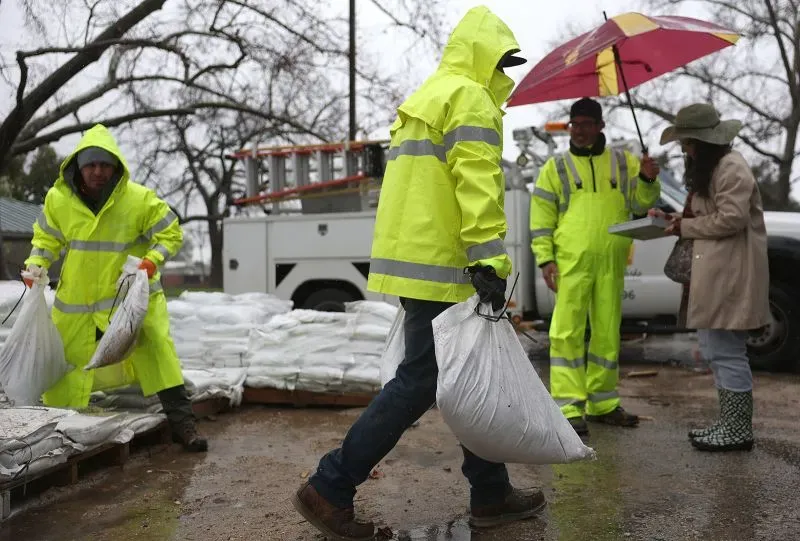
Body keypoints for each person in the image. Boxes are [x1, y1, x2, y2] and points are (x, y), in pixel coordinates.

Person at [291, 7, 543, 540]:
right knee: (422, 382)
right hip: (451, 267)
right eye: (503, 61)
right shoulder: (470, 99)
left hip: (420, 265)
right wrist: (490, 261)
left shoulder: (426, 97)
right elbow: (476, 185)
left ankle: (491, 492)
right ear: (484, 56)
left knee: (464, 377)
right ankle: (330, 486)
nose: (506, 74)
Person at [23, 123, 207, 453]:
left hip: (130, 300)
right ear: (79, 167)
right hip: (77, 302)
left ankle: (184, 426)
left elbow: (171, 233)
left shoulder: (137, 200)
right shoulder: (58, 200)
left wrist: (151, 261)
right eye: (91, 165)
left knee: (158, 352)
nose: (98, 172)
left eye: (105, 165)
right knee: (64, 362)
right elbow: (46, 239)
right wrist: (37, 263)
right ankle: (59, 427)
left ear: (116, 167)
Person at [530, 97, 661, 437]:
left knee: (606, 331)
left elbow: (641, 204)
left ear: (601, 126)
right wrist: (545, 259)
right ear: (570, 127)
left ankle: (602, 403)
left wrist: (648, 180)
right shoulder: (554, 168)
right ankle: (569, 407)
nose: (581, 130)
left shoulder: (625, 162)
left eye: (588, 124)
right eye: (576, 124)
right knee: (566, 332)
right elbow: (541, 220)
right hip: (570, 261)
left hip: (611, 260)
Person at [653, 103, 770, 452]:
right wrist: (674, 218)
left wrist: (685, 225)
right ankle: (730, 423)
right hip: (719, 273)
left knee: (727, 352)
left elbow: (730, 218)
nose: (685, 150)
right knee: (716, 350)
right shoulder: (717, 167)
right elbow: (712, 213)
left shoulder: (732, 168)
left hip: (730, 274)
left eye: (687, 143)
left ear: (703, 141)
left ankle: (737, 431)